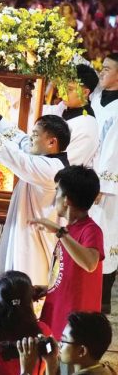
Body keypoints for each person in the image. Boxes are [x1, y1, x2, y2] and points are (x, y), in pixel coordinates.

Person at [0, 91, 72, 316]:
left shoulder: (52, 170)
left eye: (35, 135)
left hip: (32, 243)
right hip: (20, 233)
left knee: (22, 292)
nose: (31, 138)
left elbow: (17, 158)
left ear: (51, 142)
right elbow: (19, 139)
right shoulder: (43, 154)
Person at [31, 165, 104, 338]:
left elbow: (90, 263)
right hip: (57, 313)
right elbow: (67, 273)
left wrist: (59, 232)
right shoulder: (69, 230)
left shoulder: (91, 230)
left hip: (74, 326)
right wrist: (46, 289)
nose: (54, 198)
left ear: (67, 199)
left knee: (67, 365)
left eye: (57, 191)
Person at [89, 53, 118, 313]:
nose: (102, 73)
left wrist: (101, 184)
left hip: (108, 187)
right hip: (87, 176)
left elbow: (113, 150)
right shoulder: (96, 98)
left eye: (107, 69)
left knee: (107, 235)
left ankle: (102, 297)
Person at [18, 312, 115, 375]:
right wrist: (51, 362)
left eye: (63, 341)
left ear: (82, 351)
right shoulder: (105, 369)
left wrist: (26, 371)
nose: (59, 344)